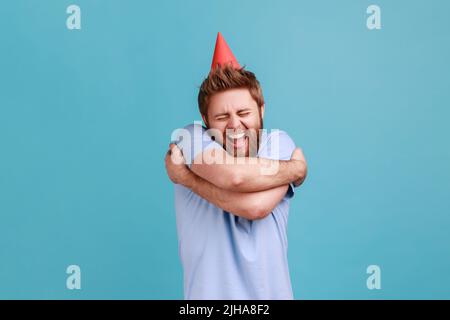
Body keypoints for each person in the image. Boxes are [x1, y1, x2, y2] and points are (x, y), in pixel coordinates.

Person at [165, 32, 307, 299]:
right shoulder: (190, 137)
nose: (234, 125)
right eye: (221, 116)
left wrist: (187, 178)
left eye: (243, 113)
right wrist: (295, 169)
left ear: (261, 110)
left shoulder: (278, 142)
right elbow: (235, 178)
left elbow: (255, 207)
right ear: (205, 119)